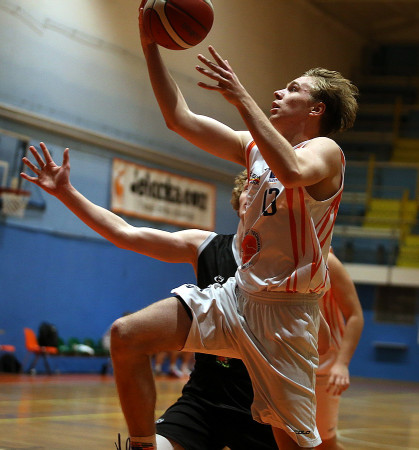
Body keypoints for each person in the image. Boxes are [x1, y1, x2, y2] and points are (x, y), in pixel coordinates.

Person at [134, 3, 359, 448]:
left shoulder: (326, 151)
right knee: (129, 335)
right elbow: (179, 119)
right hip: (239, 295)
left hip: (286, 313)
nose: (278, 91)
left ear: (316, 109)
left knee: (289, 441)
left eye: (292, 89)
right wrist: (149, 47)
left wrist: (242, 98)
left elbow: (292, 171)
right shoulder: (253, 147)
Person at [315, 252, 364, 450]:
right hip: (286, 362)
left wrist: (342, 364)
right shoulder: (274, 253)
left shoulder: (327, 260)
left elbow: (355, 315)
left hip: (323, 366)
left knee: (324, 444)